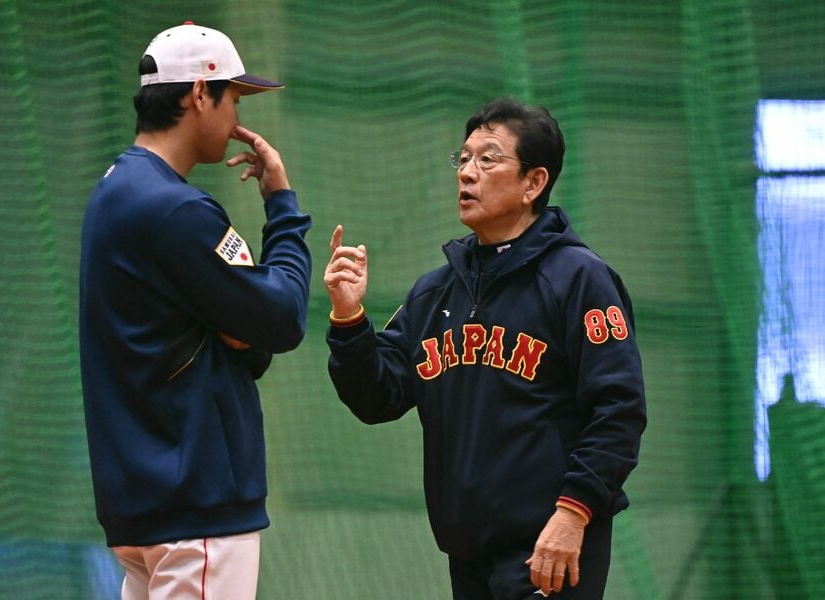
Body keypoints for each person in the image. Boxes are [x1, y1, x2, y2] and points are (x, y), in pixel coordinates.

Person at [323, 98, 646, 599]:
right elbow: (377, 398)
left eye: (488, 159)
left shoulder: (579, 279)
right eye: (464, 158)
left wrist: (573, 512)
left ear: (533, 183)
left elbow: (619, 409)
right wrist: (349, 319)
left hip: (548, 547)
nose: (467, 172)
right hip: (468, 555)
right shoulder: (435, 292)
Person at [79, 22, 312, 600]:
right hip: (194, 505)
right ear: (199, 94)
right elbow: (282, 317)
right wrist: (282, 205)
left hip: (145, 504)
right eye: (233, 97)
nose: (238, 118)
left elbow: (249, 339)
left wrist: (245, 332)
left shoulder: (115, 189)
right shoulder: (176, 209)